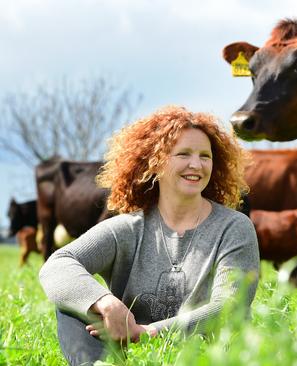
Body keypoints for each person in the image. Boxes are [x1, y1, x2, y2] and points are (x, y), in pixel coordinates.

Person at [39, 105, 260, 365]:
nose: (196, 164)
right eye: (183, 154)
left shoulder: (234, 227)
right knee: (75, 302)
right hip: (129, 352)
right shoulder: (128, 228)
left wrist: (150, 332)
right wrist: (105, 302)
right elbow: (57, 264)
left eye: (205, 156)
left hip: (204, 354)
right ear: (155, 163)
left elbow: (229, 308)